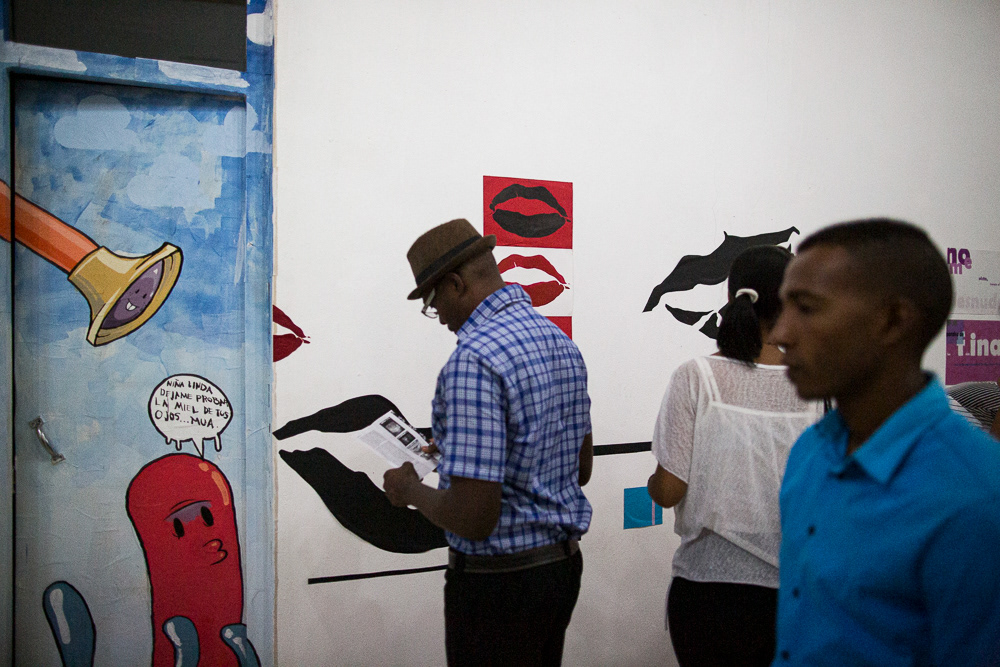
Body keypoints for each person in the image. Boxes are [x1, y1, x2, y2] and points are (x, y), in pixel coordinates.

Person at [769, 218, 1000, 666]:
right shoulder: (810, 453)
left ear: (893, 320)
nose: (781, 334)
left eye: (808, 308)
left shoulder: (976, 498)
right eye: (783, 308)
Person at [383, 218, 593, 667]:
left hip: (499, 588)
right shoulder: (558, 341)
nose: (436, 316)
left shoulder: (472, 361)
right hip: (560, 571)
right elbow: (581, 468)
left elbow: (474, 518)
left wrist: (410, 491)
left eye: (431, 301)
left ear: (455, 284)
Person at [648, 245, 822, 667]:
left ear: (730, 298)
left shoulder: (697, 376)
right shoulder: (817, 385)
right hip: (797, 592)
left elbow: (669, 491)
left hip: (708, 593)